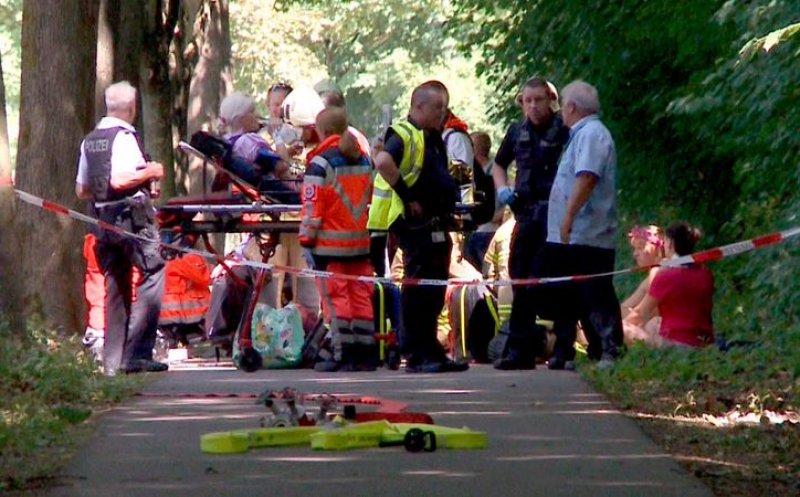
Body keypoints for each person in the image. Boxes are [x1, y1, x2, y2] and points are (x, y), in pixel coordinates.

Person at [368, 80, 468, 373]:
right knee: (419, 287)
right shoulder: (404, 134)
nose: (443, 112)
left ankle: (432, 350)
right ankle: (416, 353)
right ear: (418, 106)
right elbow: (383, 161)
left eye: (444, 107)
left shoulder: (433, 136)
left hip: (436, 222)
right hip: (415, 225)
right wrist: (408, 197)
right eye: (437, 107)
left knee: (435, 287)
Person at [528, 80, 624, 371]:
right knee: (570, 294)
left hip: (588, 232)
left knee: (595, 291)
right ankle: (582, 349)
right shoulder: (580, 134)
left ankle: (610, 349)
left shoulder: (592, 134)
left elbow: (587, 177)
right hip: (572, 235)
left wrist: (568, 216)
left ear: (570, 107)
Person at [75, 81, 167, 375]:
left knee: (116, 286)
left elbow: (82, 189)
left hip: (103, 222)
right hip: (132, 220)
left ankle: (113, 362)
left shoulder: (90, 139)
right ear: (132, 108)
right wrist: (152, 171)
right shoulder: (124, 137)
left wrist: (106, 197)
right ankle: (137, 354)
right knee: (154, 272)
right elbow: (120, 180)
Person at [492, 77, 570, 370]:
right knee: (521, 279)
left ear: (551, 100)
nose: (533, 106)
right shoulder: (516, 132)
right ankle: (519, 350)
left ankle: (563, 348)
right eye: (528, 101)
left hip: (557, 213)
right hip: (525, 215)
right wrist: (502, 189)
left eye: (539, 99)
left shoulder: (565, 130)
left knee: (558, 281)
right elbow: (499, 164)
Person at [299, 107, 375, 371]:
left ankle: (343, 355)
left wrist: (306, 241)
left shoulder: (319, 164)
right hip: (361, 245)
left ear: (322, 131)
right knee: (361, 299)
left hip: (329, 248)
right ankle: (366, 355)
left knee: (337, 301)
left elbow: (312, 210)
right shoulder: (365, 160)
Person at [626, 223, 715, 348]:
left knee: (624, 329)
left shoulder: (665, 276)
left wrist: (621, 326)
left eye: (665, 242)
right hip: (705, 341)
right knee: (653, 323)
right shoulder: (706, 274)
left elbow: (640, 313)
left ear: (671, 244)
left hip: (677, 343)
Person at [463, 131, 504, 271]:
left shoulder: (496, 172)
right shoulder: (474, 172)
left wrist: (494, 216)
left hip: (488, 232)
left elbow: (505, 205)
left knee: (487, 273)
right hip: (472, 232)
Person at [620, 225, 666, 345]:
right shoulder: (654, 272)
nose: (635, 254)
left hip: (664, 330)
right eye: (634, 249)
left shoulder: (659, 271)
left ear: (658, 249)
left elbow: (639, 313)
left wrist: (613, 329)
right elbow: (626, 307)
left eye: (640, 247)